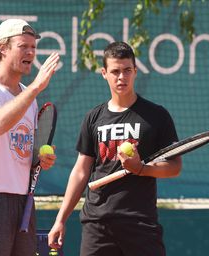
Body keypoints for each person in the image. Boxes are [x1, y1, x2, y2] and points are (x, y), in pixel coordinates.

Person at [48, 41, 182, 256]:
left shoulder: (157, 115)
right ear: (104, 73)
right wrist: (60, 219)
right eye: (115, 71)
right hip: (97, 224)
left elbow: (174, 167)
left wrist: (141, 169)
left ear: (135, 71)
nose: (122, 77)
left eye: (127, 70)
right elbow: (81, 171)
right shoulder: (93, 117)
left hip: (140, 224)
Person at [0, 18, 59, 256]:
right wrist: (35, 88)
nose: (31, 52)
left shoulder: (29, 98)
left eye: (33, 47)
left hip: (24, 201)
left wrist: (39, 159)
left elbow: (22, 150)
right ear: (3, 48)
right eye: (24, 46)